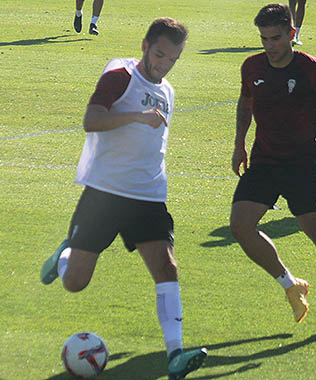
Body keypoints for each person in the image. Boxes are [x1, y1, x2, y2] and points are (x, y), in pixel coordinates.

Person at [39, 18, 207, 380]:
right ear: (145, 44)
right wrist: (136, 116)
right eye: (159, 54)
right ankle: (65, 253)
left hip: (148, 194)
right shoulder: (120, 74)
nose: (163, 64)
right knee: (75, 283)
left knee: (167, 268)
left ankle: (175, 354)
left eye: (173, 59)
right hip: (105, 194)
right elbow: (91, 120)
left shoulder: (169, 91)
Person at [230, 3, 316, 333]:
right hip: (264, 159)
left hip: (304, 163)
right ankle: (291, 286)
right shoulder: (251, 67)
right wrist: (238, 144)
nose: (269, 46)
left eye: (275, 38)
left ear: (292, 34)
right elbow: (245, 103)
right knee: (240, 226)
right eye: (263, 39)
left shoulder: (314, 70)